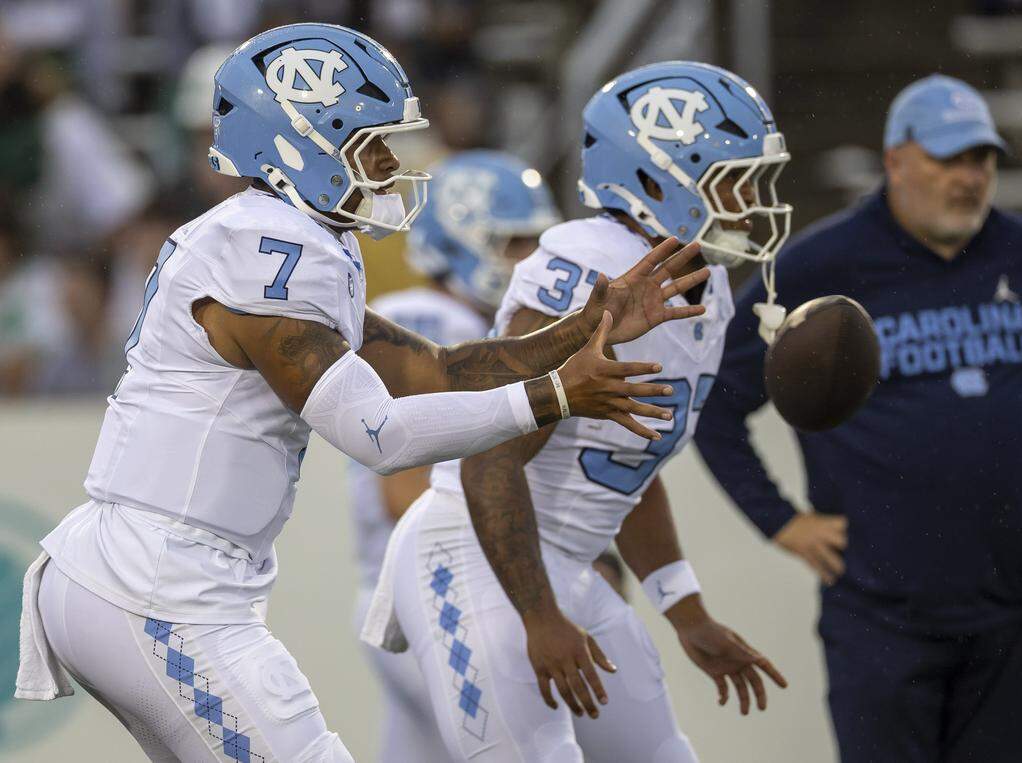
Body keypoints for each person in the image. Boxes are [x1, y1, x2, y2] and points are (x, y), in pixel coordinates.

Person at [14, 25, 713, 762]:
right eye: (370, 142)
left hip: (160, 576)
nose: (389, 164)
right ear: (298, 148)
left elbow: (436, 369)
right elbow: (379, 434)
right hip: (158, 583)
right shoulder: (263, 251)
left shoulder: (288, 238)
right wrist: (552, 396)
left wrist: (585, 326)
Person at [365, 60, 791, 762]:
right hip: (474, 550)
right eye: (731, 177)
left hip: (564, 560)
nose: (750, 198)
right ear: (657, 181)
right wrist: (539, 614)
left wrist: (688, 613)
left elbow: (632, 464)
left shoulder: (706, 289)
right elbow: (489, 451)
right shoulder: (584, 268)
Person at [694, 74, 1022, 762]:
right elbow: (717, 400)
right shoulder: (822, 262)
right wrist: (780, 520)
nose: (969, 178)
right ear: (895, 159)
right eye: (948, 159)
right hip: (881, 614)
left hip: (1010, 608)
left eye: (981, 160)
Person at [348, 149, 561, 762]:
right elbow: (402, 492)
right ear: (464, 239)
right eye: (514, 240)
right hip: (438, 591)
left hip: (417, 594)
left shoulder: (461, 325)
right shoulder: (426, 320)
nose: (530, 260)